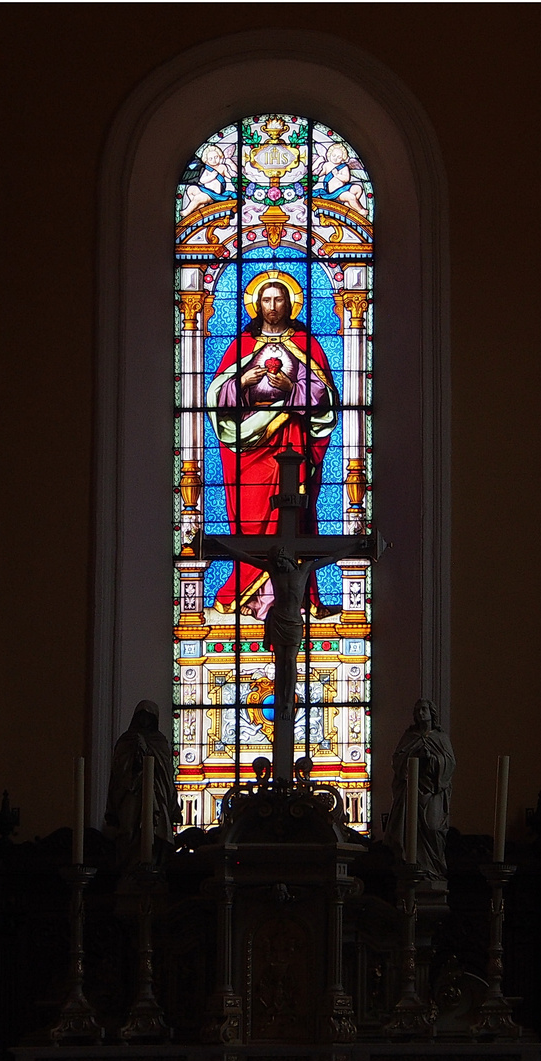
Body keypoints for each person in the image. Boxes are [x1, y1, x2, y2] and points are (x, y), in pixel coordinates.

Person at [205, 278, 339, 619]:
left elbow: (324, 395)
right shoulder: (242, 345)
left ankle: (294, 598)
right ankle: (251, 596)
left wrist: (292, 387)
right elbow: (219, 396)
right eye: (267, 299)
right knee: (252, 518)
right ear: (257, 304)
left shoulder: (306, 343)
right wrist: (243, 383)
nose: (273, 306)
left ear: (290, 303)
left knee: (291, 516)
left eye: (280, 299)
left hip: (291, 442)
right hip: (250, 449)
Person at [104, 700, 180, 865]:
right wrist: (135, 756)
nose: (145, 721)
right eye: (141, 716)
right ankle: (129, 866)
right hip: (131, 791)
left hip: (156, 793)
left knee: (155, 827)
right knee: (128, 829)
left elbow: (165, 771)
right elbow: (118, 771)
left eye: (148, 717)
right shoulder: (126, 740)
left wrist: (147, 751)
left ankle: (154, 865)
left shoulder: (159, 741)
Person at [387, 699, 457, 878]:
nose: (420, 713)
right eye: (417, 710)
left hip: (433, 792)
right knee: (410, 831)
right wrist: (415, 757)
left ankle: (434, 870)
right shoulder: (409, 737)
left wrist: (432, 760)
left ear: (431, 712)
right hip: (412, 792)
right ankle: (414, 871)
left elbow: (450, 763)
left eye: (423, 709)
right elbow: (398, 761)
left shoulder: (441, 738)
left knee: (433, 828)